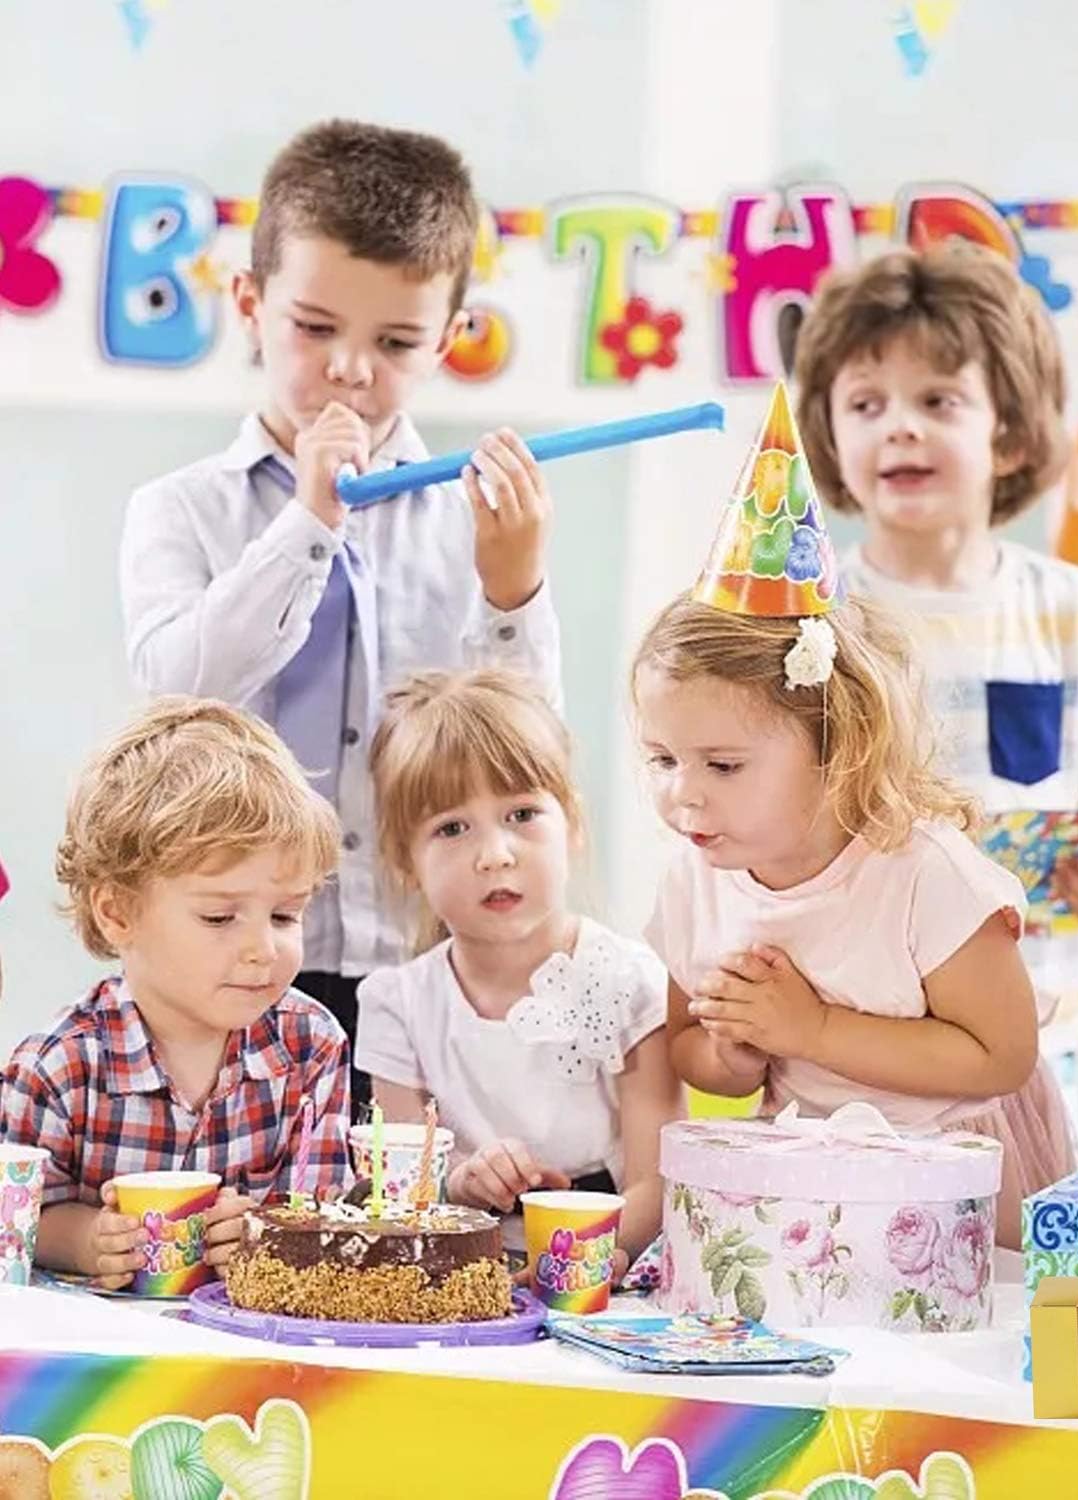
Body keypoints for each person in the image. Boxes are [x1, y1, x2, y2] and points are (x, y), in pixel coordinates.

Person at [118, 119, 564, 1112]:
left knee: (412, 1197)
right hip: (226, 968)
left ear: (447, 339)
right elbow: (179, 691)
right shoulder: (180, 511)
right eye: (314, 328)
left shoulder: (472, 517)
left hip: (423, 963)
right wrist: (307, 525)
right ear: (250, 304)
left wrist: (512, 589)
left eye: (395, 342)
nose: (352, 370)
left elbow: (525, 753)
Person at [638, 385, 1070, 1248]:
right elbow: (685, 1042)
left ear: (838, 746)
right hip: (813, 1172)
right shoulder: (697, 880)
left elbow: (1002, 1056)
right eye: (661, 760)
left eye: (723, 765)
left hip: (955, 1168)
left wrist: (814, 1029)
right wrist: (734, 1054)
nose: (685, 794)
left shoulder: (924, 875)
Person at [794, 242, 1078, 1050]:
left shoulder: (1071, 608)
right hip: (862, 1015)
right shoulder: (813, 615)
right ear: (828, 435)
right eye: (865, 404)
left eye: (938, 400)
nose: (900, 426)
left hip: (1039, 1020)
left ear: (1009, 436)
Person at [0, 699, 350, 1288]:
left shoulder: (310, 1046)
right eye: (219, 917)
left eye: (285, 915)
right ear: (117, 913)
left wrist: (263, 1232)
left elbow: (328, 1215)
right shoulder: (59, 1067)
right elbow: (17, 1217)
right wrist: (86, 1240)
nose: (263, 948)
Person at [356, 670, 679, 1273]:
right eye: (452, 828)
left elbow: (657, 1181)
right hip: (454, 1275)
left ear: (572, 823)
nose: (495, 855)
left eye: (522, 814)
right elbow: (398, 1189)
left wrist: (582, 1261)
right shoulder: (397, 1004)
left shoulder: (630, 982)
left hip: (604, 1270)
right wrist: (462, 1181)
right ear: (405, 860)